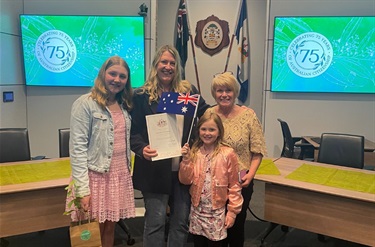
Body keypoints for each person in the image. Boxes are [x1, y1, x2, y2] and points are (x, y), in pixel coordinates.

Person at [130, 44, 210, 247]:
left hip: (183, 168)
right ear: (156, 65)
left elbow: (206, 113)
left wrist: (229, 109)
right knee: (155, 222)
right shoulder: (141, 95)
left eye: (172, 63)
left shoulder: (187, 92)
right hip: (154, 169)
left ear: (177, 67)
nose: (168, 66)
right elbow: (133, 132)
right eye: (164, 62)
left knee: (181, 222)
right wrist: (141, 149)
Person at [66, 56, 135, 247]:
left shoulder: (125, 105)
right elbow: (77, 148)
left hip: (118, 176)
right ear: (103, 74)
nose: (117, 79)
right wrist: (82, 189)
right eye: (112, 74)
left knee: (110, 229)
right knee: (90, 232)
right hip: (94, 177)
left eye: (122, 76)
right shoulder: (85, 103)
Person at [206, 72, 267, 247]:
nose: (224, 94)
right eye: (219, 90)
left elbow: (258, 150)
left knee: (236, 225)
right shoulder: (209, 114)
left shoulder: (248, 115)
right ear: (214, 93)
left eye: (228, 90)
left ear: (235, 92)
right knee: (215, 226)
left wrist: (251, 175)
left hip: (240, 181)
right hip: (213, 181)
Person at [178, 111, 243, 247]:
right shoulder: (195, 152)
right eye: (204, 129)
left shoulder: (227, 154)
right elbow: (185, 180)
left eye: (212, 129)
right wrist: (186, 160)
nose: (207, 133)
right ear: (198, 130)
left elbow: (235, 185)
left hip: (217, 212)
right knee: (199, 244)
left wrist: (232, 212)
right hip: (197, 211)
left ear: (219, 132)